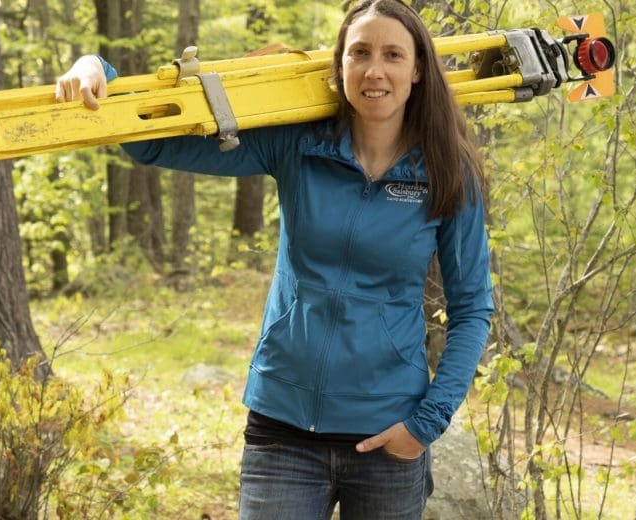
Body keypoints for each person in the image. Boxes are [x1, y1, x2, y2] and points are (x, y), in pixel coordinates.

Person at [56, 1, 493, 518]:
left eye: (392, 55)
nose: (375, 70)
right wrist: (96, 70)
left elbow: (471, 309)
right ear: (340, 66)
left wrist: (425, 425)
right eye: (360, 53)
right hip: (284, 432)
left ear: (417, 70)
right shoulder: (297, 143)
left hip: (386, 436)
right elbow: (154, 147)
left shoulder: (448, 170)